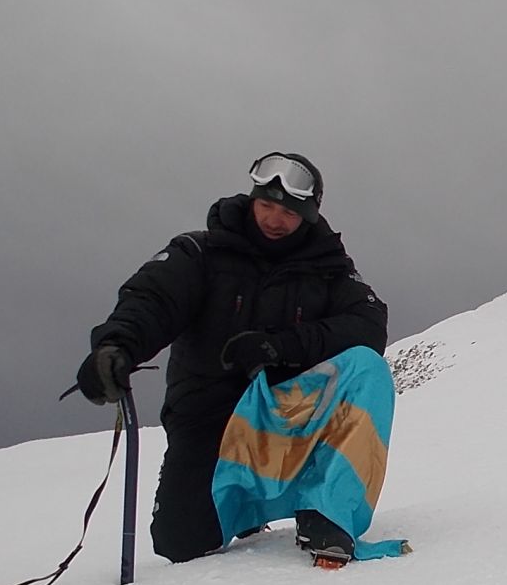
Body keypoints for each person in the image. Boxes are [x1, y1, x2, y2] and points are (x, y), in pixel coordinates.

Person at [74, 152, 389, 564]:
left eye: (290, 212)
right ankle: (245, 506)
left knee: (367, 368)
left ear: (310, 215)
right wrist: (115, 346)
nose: (275, 220)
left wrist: (281, 345)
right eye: (267, 205)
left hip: (287, 413)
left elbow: (368, 324)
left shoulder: (328, 268)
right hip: (208, 417)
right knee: (180, 543)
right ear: (252, 198)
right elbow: (152, 300)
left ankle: (326, 511)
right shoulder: (199, 253)